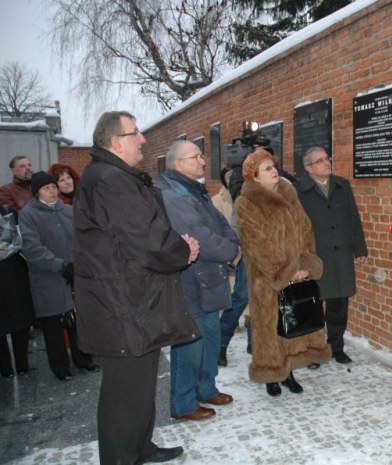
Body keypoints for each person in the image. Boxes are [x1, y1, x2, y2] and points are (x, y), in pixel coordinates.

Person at [73, 111, 200, 465]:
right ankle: (121, 457)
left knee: (141, 388)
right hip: (121, 306)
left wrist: (176, 248)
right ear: (116, 142)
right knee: (124, 395)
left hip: (133, 303)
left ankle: (140, 447)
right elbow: (146, 239)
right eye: (135, 133)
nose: (143, 139)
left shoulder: (113, 176)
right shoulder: (110, 181)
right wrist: (182, 251)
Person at [155, 140, 241, 421]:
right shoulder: (171, 195)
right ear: (178, 163)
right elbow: (199, 236)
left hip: (209, 278)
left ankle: (206, 387)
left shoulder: (194, 189)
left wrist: (233, 245)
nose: (203, 161)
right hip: (190, 281)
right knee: (191, 343)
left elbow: (221, 223)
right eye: (196, 157)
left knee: (210, 338)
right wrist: (231, 251)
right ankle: (184, 403)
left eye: (201, 156)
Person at [235, 148, 331, 397]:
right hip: (267, 278)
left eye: (273, 166)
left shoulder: (289, 195)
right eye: (267, 168)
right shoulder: (246, 203)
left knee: (293, 323)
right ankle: (271, 374)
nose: (274, 171)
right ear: (255, 177)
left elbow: (306, 230)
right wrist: (286, 271)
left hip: (298, 272)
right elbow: (256, 243)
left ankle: (288, 372)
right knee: (269, 327)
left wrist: (305, 265)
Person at [18, 172, 97, 381]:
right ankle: (60, 367)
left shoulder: (68, 210)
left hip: (75, 275)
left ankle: (83, 358)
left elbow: (82, 238)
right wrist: (58, 265)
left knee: (78, 322)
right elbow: (31, 248)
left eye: (54, 187)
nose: (52, 191)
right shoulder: (28, 214)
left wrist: (81, 262)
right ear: (37, 193)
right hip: (48, 277)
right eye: (47, 188)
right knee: (52, 326)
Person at [294, 147, 367, 365]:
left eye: (327, 158)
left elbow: (353, 218)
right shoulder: (298, 190)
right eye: (320, 161)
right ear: (309, 168)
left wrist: (359, 249)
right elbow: (294, 228)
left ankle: (336, 347)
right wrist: (299, 259)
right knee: (312, 306)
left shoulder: (342, 185)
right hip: (314, 257)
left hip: (340, 255)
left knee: (338, 305)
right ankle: (313, 351)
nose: (327, 163)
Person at [211, 167, 250, 364]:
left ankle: (255, 342)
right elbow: (233, 226)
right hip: (246, 252)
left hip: (269, 254)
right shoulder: (237, 194)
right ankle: (221, 343)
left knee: (263, 300)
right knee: (242, 297)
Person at [0, 205, 35, 378]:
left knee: (20, 320)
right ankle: (5, 368)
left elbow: (23, 238)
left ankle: (22, 364)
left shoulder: (8, 212)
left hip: (14, 271)